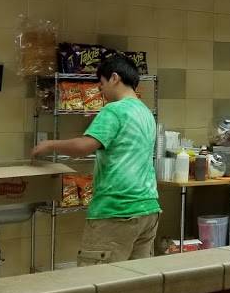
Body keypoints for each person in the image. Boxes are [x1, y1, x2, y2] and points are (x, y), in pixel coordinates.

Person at [32, 55, 160, 265]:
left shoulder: (114, 110)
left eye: (101, 83)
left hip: (117, 209)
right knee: (136, 279)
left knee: (97, 280)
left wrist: (49, 144)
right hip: (148, 209)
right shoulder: (145, 112)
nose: (100, 89)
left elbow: (84, 147)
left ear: (115, 78)